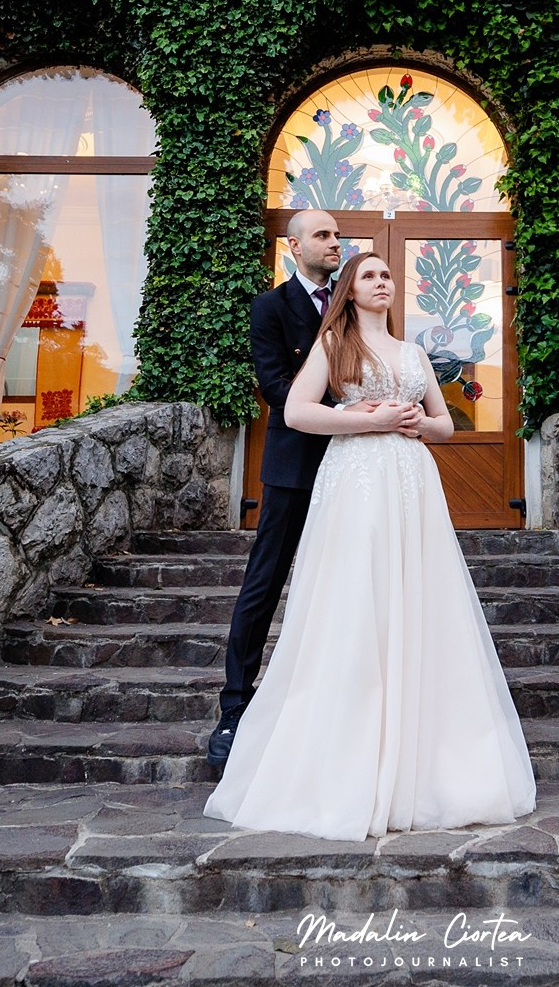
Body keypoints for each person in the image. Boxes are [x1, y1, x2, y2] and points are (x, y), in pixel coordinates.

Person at [203, 250, 537, 840]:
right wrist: (366, 420)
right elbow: (298, 412)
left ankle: (424, 751)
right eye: (369, 275)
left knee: (419, 597)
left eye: (386, 275)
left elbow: (445, 424)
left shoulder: (414, 354)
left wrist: (417, 424)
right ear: (350, 291)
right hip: (355, 478)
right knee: (358, 597)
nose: (382, 282)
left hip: (410, 480)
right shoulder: (334, 346)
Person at [208, 209, 352, 768]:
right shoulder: (270, 307)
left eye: (337, 235)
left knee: (352, 581)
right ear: (295, 246)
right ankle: (234, 708)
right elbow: (274, 386)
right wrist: (347, 410)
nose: (335, 242)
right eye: (323, 235)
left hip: (355, 462)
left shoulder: (354, 302)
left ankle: (341, 706)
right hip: (294, 464)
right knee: (264, 583)